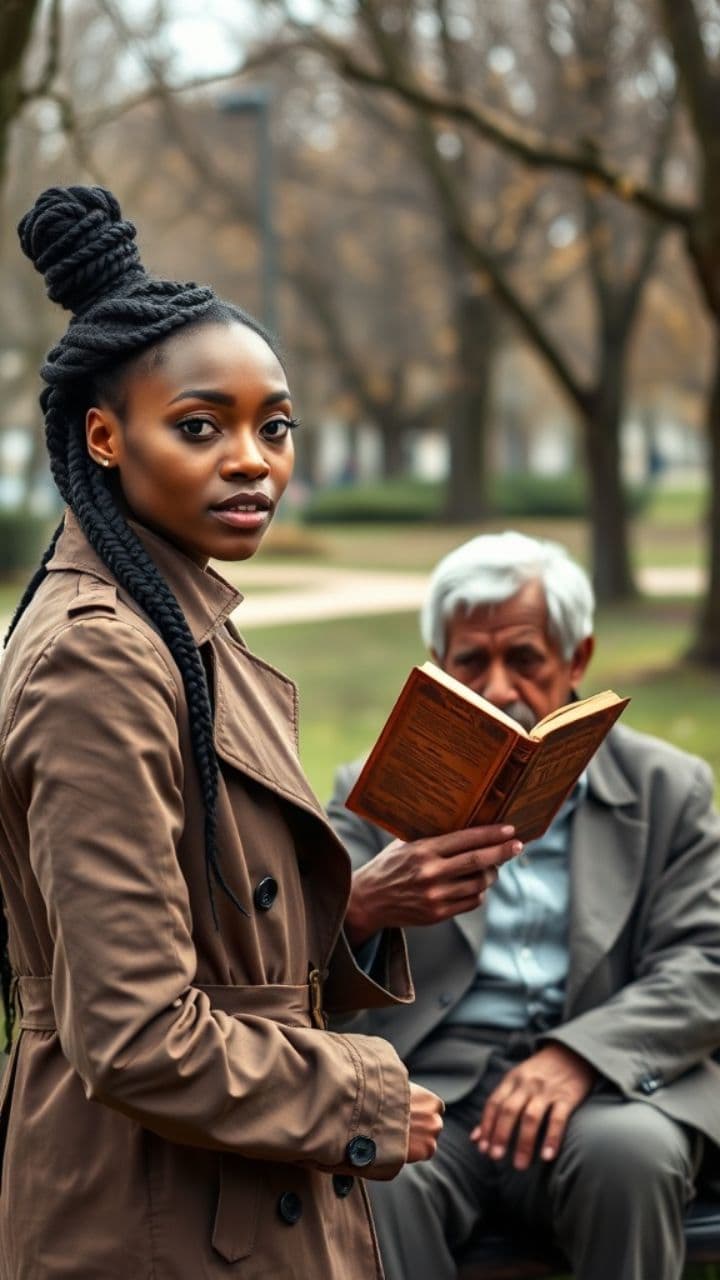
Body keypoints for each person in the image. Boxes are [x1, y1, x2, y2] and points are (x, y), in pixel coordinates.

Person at [0, 183, 507, 1280]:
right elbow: (133, 1035)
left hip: (232, 1198)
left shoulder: (177, 619)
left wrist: (359, 901)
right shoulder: (100, 655)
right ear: (103, 437)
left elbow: (193, 920)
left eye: (272, 426)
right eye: (200, 427)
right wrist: (366, 1093)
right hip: (155, 1217)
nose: (252, 459)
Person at [328, 530, 720, 1280]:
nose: (500, 687)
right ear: (439, 667)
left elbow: (706, 962)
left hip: (603, 1089)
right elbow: (294, 959)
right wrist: (366, 907)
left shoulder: (670, 789)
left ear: (576, 661)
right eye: (471, 661)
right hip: (428, 1087)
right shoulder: (369, 795)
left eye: (527, 659)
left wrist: (580, 1057)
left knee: (630, 1158)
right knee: (373, 1177)